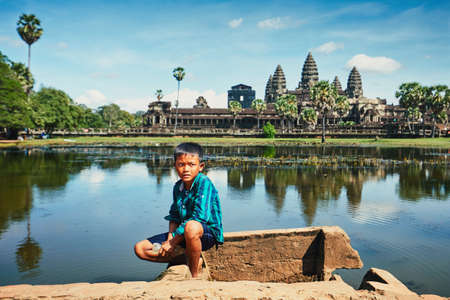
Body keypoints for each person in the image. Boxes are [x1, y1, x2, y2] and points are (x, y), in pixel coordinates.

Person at [134, 142, 223, 277]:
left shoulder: (204, 183)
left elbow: (200, 217)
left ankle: (193, 274)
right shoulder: (178, 186)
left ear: (201, 166)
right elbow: (174, 216)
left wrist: (173, 242)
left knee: (191, 226)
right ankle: (187, 257)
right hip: (182, 233)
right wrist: (170, 239)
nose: (186, 169)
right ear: (175, 166)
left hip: (205, 234)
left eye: (191, 164)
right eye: (181, 165)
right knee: (140, 249)